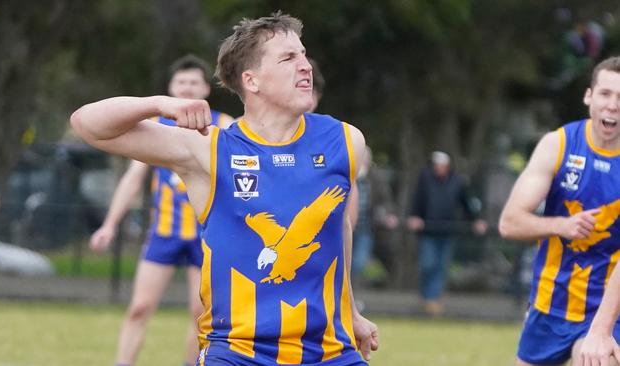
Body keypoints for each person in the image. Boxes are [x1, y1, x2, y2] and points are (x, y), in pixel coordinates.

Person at [71, 12, 378, 366]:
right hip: (237, 353)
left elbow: (338, 227)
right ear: (252, 80)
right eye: (289, 58)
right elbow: (87, 124)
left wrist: (350, 313)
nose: (305, 66)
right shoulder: (207, 149)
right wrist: (158, 104)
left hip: (331, 353)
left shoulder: (344, 140)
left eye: (303, 54)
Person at [89, 54, 232, 366]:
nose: (187, 88)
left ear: (206, 89)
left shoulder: (225, 126)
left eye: (194, 82)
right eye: (181, 82)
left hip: (205, 237)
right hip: (164, 233)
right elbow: (133, 179)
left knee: (201, 313)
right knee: (140, 306)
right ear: (171, 88)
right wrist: (109, 225)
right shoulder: (154, 128)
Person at [499, 56, 620, 366]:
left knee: (600, 361)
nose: (613, 105)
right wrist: (562, 226)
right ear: (588, 96)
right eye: (605, 93)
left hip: (607, 308)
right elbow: (510, 223)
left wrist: (602, 329)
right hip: (550, 303)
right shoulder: (559, 144)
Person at [407, 151, 487, 315]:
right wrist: (415, 216)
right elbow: (417, 199)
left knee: (441, 266)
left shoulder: (457, 182)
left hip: (447, 231)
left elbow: (466, 203)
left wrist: (476, 220)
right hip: (429, 231)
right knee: (428, 264)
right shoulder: (426, 179)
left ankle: (433, 298)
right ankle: (426, 296)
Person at [348, 146, 398, 286]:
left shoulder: (376, 178)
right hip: (346, 226)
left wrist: (387, 214)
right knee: (343, 261)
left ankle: (350, 290)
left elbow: (385, 199)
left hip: (366, 227)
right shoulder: (345, 173)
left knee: (358, 262)